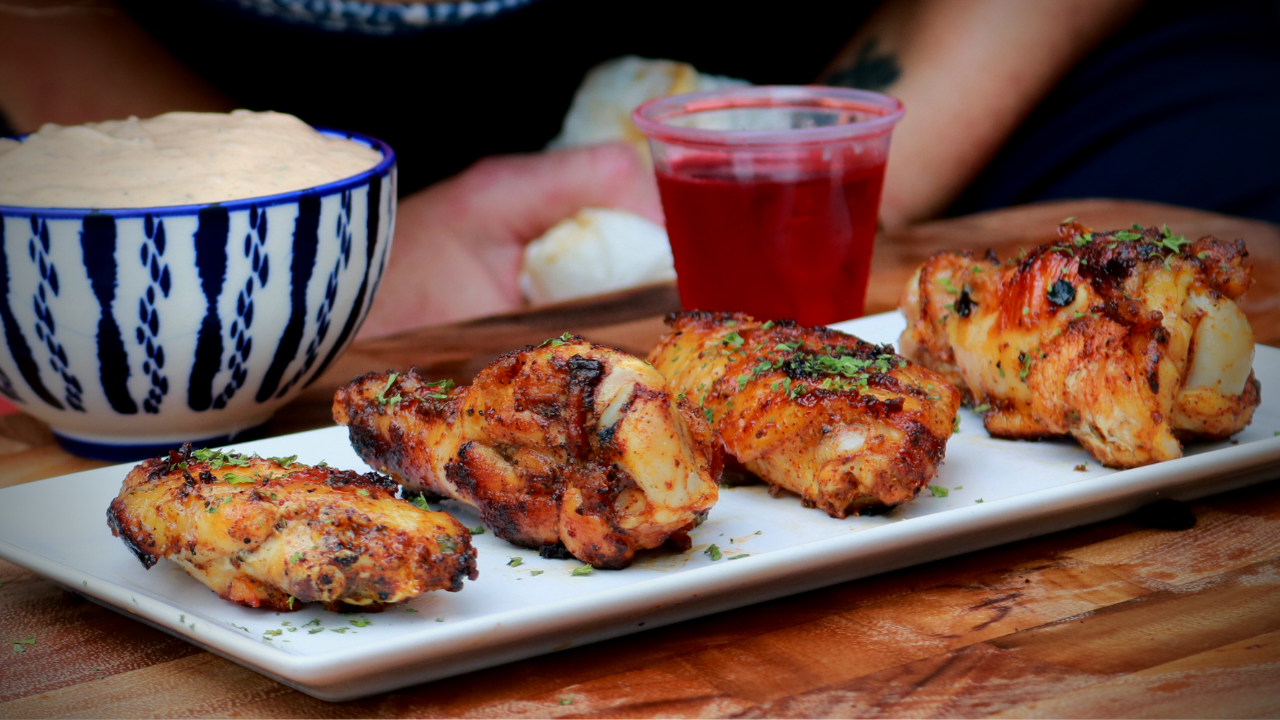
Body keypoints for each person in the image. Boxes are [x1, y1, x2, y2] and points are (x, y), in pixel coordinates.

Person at [3, 0, 1277, 337]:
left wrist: (817, 174)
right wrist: (309, 233)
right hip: (167, 74)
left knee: (1235, 135)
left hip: (881, 63)